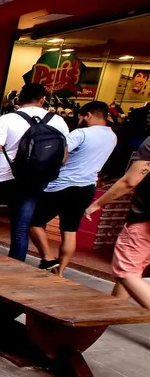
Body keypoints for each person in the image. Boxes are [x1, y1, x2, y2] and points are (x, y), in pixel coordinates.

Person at [0, 83, 70, 261]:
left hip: (2, 178)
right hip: (34, 182)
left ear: (18, 100)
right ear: (43, 99)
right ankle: (15, 268)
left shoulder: (7, 119)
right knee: (21, 227)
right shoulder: (58, 121)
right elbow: (63, 158)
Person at [29, 101, 117, 275]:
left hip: (61, 186)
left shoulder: (81, 133)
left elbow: (58, 155)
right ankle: (59, 272)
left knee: (33, 222)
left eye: (81, 117)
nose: (79, 120)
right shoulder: (112, 136)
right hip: (86, 189)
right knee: (69, 230)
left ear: (89, 115)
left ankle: (47, 258)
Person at [85, 138, 150, 308]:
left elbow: (130, 181)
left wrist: (98, 204)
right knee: (134, 270)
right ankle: (114, 310)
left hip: (144, 222)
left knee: (126, 273)